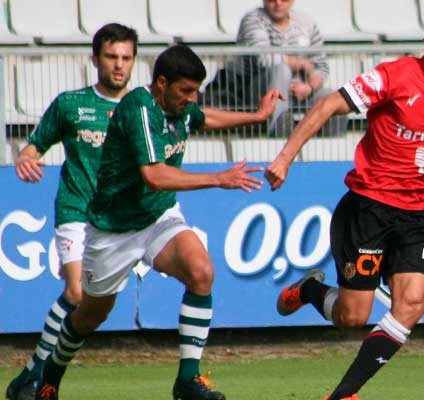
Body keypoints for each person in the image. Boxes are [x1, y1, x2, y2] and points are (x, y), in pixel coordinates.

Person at [265, 10, 424, 400]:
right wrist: (285, 157)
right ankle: (312, 290)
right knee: (353, 317)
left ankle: (344, 394)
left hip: (416, 216)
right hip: (368, 209)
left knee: (412, 305)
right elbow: (329, 104)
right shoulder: (394, 76)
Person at [32, 44, 282, 400]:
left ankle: (187, 381)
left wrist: (256, 118)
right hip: (113, 229)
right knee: (90, 315)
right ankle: (49, 377)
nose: (191, 99)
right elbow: (153, 175)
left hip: (159, 217)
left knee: (201, 272)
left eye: (195, 91)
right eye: (185, 91)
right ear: (161, 83)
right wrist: (218, 178)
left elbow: (204, 117)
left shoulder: (179, 106)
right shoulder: (140, 108)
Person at [5, 23, 139, 400]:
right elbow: (34, 146)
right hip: (76, 210)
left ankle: (30, 375)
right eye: (112, 57)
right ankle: (34, 378)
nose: (119, 65)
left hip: (120, 223)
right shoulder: (70, 104)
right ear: (95, 59)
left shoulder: (141, 108)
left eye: (126, 58)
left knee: (95, 309)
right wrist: (25, 159)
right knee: (76, 293)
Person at [237, 0, 347, 137]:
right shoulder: (253, 19)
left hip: (302, 92)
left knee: (334, 99)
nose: (278, 3)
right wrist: (300, 62)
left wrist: (309, 87)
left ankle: (333, 148)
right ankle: (277, 133)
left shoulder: (307, 22)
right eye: (272, 0)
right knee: (281, 70)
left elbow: (321, 66)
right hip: (260, 91)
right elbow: (264, 59)